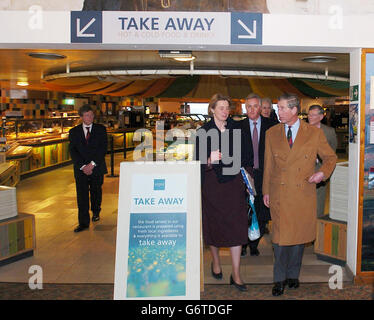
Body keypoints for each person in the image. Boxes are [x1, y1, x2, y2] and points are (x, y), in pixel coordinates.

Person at [262, 93, 337, 296]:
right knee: (278, 239)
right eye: (278, 108)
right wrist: (265, 191)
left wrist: (322, 173)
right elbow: (268, 165)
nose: (279, 111)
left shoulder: (313, 133)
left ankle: (293, 274)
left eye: (283, 108)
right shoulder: (271, 133)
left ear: (295, 110)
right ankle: (279, 279)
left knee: (298, 238)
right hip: (279, 192)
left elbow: (330, 158)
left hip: (303, 192)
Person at [194, 93, 250, 292]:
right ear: (212, 110)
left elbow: (247, 157)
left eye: (227, 108)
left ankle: (236, 273)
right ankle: (216, 261)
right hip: (212, 185)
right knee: (214, 225)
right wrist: (209, 159)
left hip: (234, 184)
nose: (225, 112)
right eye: (221, 108)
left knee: (237, 226)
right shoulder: (202, 132)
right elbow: (196, 163)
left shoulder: (238, 129)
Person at [241, 93, 276, 257]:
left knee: (262, 211)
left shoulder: (273, 125)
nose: (252, 109)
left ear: (261, 108)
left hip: (265, 175)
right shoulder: (237, 127)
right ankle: (243, 244)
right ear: (245, 108)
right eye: (249, 106)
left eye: (256, 106)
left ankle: (255, 243)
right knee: (244, 210)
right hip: (244, 175)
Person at [69, 104, 108, 233]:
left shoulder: (101, 129)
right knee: (82, 195)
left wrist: (92, 164)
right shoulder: (74, 132)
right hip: (81, 170)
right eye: (87, 115)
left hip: (96, 167)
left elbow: (103, 149)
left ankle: (96, 212)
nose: (90, 117)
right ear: (81, 117)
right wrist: (83, 166)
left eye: (91, 115)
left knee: (96, 191)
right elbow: (73, 151)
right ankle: (83, 223)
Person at [308, 104, 338, 218]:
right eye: (309, 115)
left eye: (314, 115)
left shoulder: (329, 132)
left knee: (318, 202)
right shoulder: (303, 130)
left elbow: (332, 151)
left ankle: (317, 223)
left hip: (320, 170)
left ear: (321, 117)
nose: (310, 117)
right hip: (304, 170)